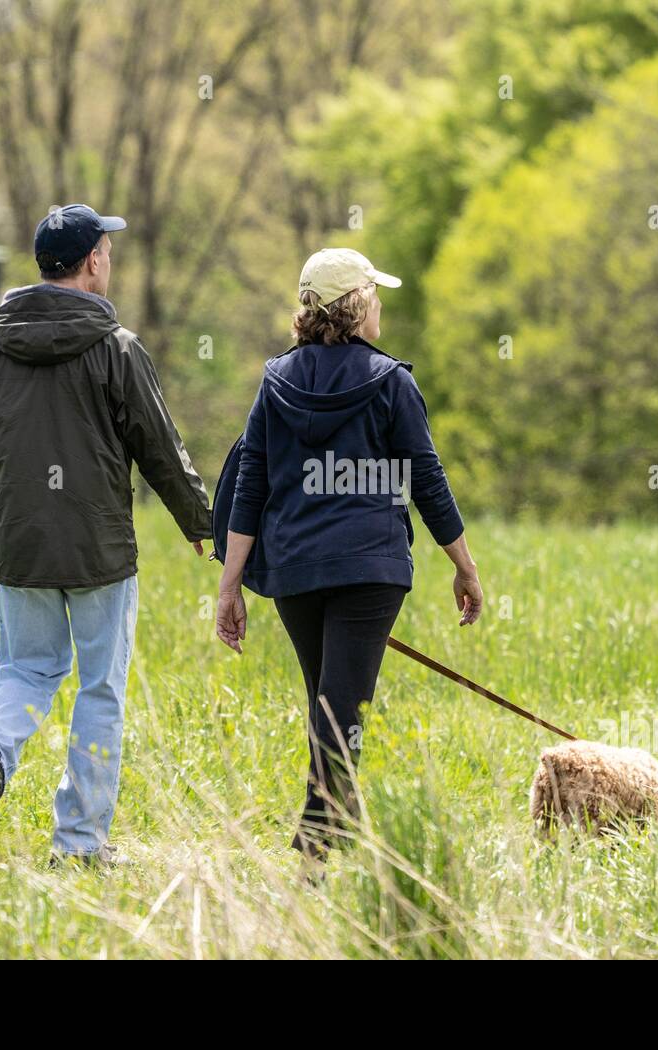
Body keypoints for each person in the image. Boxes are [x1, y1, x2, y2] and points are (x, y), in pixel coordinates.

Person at [0, 203, 212, 866]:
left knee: (25, 668)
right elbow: (159, 447)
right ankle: (81, 844)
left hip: (21, 545)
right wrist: (202, 522)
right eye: (107, 249)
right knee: (100, 689)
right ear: (93, 260)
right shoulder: (116, 349)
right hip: (99, 551)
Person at [215, 247, 483, 873]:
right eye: (375, 293)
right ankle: (315, 848)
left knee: (330, 701)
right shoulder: (392, 382)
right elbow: (427, 479)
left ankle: (344, 839)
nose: (382, 303)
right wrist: (463, 565)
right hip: (369, 570)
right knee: (341, 710)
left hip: (295, 570)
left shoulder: (275, 382)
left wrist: (231, 584)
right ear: (357, 305)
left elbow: (251, 481)